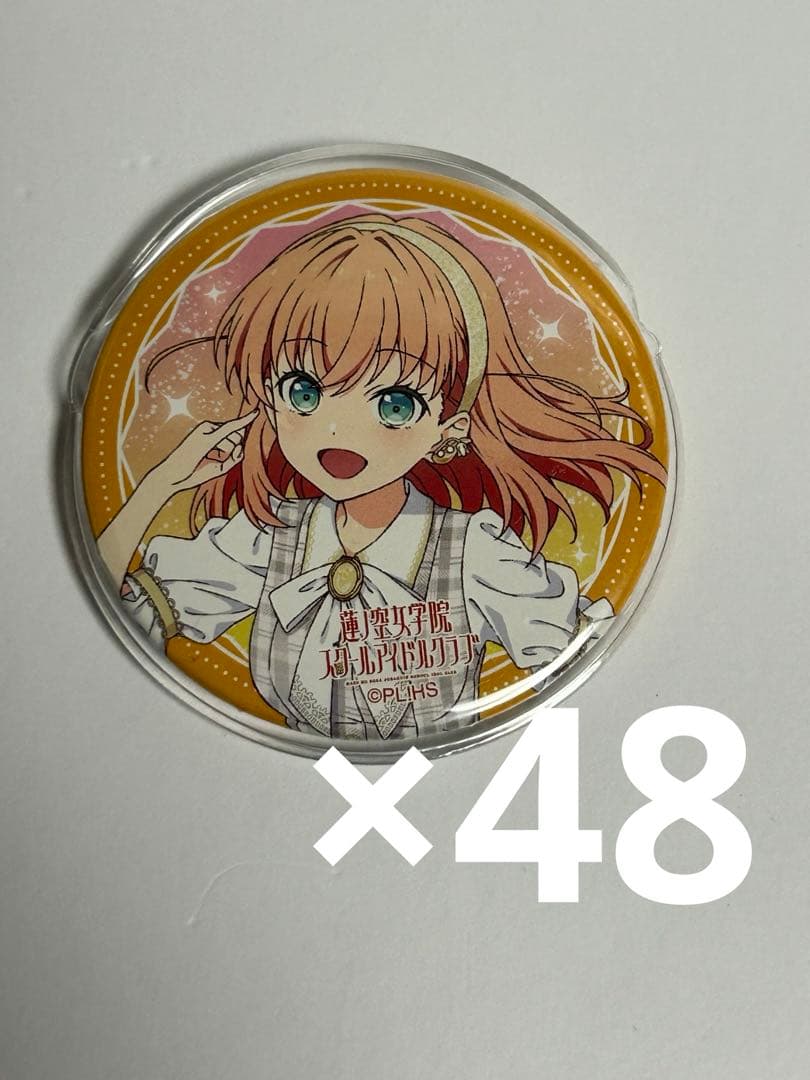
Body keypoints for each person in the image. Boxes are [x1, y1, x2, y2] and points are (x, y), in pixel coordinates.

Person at [98, 213, 666, 740]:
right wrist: (160, 485)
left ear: (449, 427)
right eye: (304, 390)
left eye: (395, 403)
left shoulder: (473, 551)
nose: (338, 429)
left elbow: (583, 664)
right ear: (268, 398)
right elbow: (114, 605)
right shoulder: (267, 538)